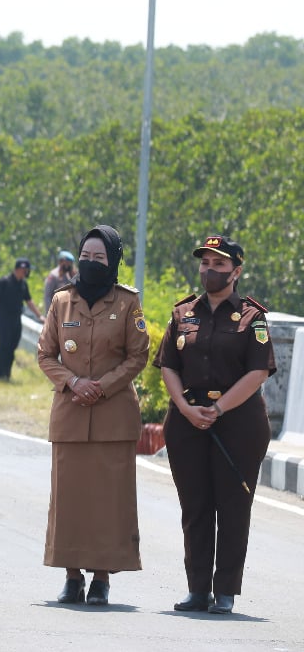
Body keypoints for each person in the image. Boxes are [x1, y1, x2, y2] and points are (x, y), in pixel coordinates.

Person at [155, 235, 275, 616]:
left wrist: (219, 408)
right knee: (196, 506)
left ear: (236, 272)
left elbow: (258, 372)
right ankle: (197, 589)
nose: (210, 271)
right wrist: (185, 408)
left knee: (233, 506)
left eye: (219, 265)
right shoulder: (183, 313)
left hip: (238, 423)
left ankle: (225, 590)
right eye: (205, 264)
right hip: (187, 420)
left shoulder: (253, 317)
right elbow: (169, 366)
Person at [36, 225, 148, 607]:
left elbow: (138, 355)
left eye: (100, 258)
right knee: (69, 500)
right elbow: (45, 354)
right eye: (86, 256)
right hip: (70, 414)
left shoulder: (128, 302)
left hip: (113, 417)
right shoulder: (61, 300)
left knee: (109, 502)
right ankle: (71, 577)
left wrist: (101, 385)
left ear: (113, 260)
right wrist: (73, 382)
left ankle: (101, 578)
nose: (91, 263)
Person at [0, 258, 42, 381]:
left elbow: (29, 301)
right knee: (4, 346)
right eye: (25, 270)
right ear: (19, 269)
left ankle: (7, 374)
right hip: (3, 319)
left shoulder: (23, 284)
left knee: (12, 346)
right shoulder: (3, 282)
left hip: (16, 319)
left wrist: (39, 316)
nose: (26, 273)